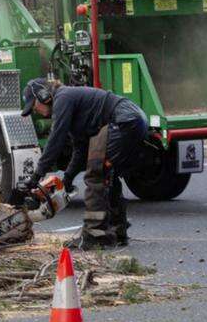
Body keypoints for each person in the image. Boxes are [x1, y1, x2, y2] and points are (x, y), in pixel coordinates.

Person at [16, 78, 148, 250]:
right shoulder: (71, 104)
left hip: (123, 119)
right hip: (132, 119)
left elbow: (56, 139)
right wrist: (67, 178)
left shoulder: (62, 98)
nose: (36, 111)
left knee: (96, 175)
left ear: (43, 95)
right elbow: (81, 149)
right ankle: (117, 231)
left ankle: (94, 235)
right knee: (107, 175)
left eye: (34, 106)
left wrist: (36, 176)